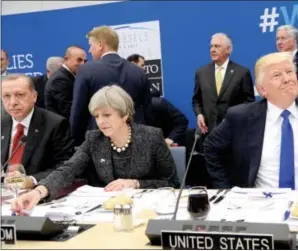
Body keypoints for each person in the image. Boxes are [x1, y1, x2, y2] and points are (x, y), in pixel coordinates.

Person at [11, 85, 179, 210]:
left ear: (125, 114)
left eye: (107, 115)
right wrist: (39, 191)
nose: (101, 122)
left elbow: (172, 183)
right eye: (97, 116)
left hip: (148, 211)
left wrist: (136, 183)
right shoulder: (94, 139)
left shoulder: (151, 137)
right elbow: (68, 169)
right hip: (105, 213)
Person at [204, 52, 298, 189]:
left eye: (289, 72)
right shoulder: (240, 116)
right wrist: (226, 190)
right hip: (260, 205)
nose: (287, 79)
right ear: (262, 89)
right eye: (277, 75)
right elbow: (211, 148)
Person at [70, 26, 153, 145]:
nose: (89, 50)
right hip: (135, 141)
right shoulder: (138, 71)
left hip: (99, 142)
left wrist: (77, 143)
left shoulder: (85, 71)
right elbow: (147, 113)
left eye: (91, 45)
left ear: (100, 45)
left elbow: (78, 112)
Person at [1, 74, 74, 188]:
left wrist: (32, 180)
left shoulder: (55, 124)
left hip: (38, 192)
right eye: (6, 96)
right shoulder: (2, 124)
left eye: (20, 95)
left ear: (34, 97)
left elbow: (66, 165)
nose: (13, 102)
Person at [192, 33, 255, 135]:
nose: (212, 50)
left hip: (234, 131)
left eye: (217, 46)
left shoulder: (242, 72)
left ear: (228, 49)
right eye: (211, 46)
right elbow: (196, 100)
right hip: (209, 131)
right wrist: (199, 114)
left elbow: (249, 103)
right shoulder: (201, 73)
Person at [45, 46, 87, 119]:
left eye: (85, 61)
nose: (83, 64)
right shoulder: (59, 79)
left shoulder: (70, 76)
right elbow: (67, 108)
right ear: (66, 59)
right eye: (79, 60)